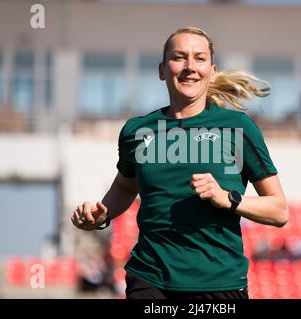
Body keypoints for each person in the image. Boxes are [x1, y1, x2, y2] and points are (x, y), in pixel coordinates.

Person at [71, 26, 289, 299]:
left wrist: (227, 198)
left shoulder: (239, 128)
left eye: (199, 58)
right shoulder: (137, 131)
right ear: (162, 70)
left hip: (218, 285)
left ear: (211, 69)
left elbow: (279, 210)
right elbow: (126, 188)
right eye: (179, 57)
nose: (189, 67)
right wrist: (101, 216)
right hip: (149, 279)